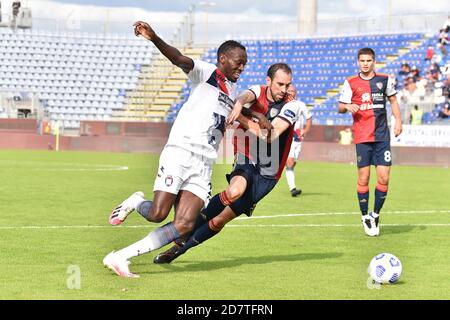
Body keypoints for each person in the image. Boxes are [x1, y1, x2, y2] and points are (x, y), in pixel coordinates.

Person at [102, 21, 250, 278]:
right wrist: (155, 37)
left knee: (184, 224)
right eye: (238, 61)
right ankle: (137, 202)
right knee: (158, 213)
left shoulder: (233, 91)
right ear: (222, 59)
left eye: (245, 63)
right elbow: (179, 58)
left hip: (204, 163)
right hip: (181, 151)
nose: (242, 66)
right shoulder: (207, 73)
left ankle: (120, 257)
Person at [153, 63, 307, 264]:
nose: (284, 90)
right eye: (280, 84)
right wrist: (237, 104)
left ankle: (179, 248)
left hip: (269, 172)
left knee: (219, 220)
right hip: (247, 155)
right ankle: (185, 225)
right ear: (268, 81)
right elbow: (244, 96)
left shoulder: (293, 105)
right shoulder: (258, 90)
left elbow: (270, 135)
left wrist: (244, 116)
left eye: (288, 85)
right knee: (234, 191)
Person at [338, 47, 402, 237]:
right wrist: (347, 106)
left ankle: (375, 214)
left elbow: (393, 101)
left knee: (384, 177)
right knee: (364, 178)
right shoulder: (350, 82)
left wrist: (398, 121)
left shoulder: (385, 80)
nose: (365, 63)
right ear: (358, 62)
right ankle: (365, 216)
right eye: (362, 61)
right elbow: (341, 107)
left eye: (369, 60)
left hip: (382, 136)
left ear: (374, 61)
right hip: (362, 137)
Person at [284, 85, 312, 197]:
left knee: (292, 163)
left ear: (296, 93)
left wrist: (305, 130)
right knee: (290, 162)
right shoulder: (282, 105)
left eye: (293, 91)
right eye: (289, 91)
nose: (291, 93)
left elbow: (309, 118)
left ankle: (288, 176)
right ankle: (293, 189)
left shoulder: (300, 105)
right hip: (288, 137)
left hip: (298, 138)